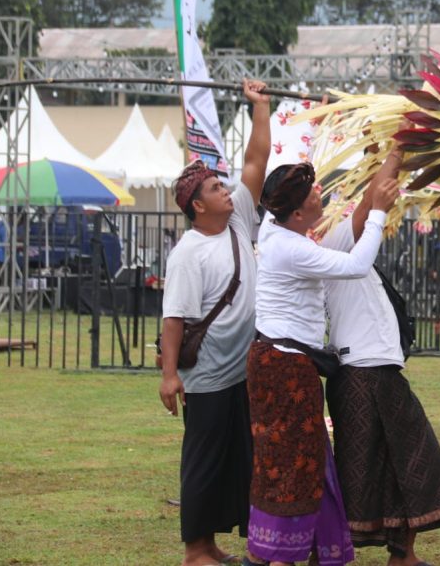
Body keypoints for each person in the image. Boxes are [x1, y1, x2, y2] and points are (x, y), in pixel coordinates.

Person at [247, 161, 399, 566]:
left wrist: (387, 159)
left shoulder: (277, 227)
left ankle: (291, 550)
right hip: (286, 367)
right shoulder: (291, 248)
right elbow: (355, 265)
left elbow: (352, 218)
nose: (321, 195)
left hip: (279, 361)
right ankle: (281, 556)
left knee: (299, 459)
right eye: (313, 194)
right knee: (296, 464)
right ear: (296, 212)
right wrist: (380, 213)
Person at [322, 143, 440, 566]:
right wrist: (397, 150)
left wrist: (390, 155)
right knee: (381, 465)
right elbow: (368, 204)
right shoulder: (333, 245)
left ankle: (403, 554)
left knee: (398, 464)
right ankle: (338, 551)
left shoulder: (345, 254)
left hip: (373, 369)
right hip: (363, 372)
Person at [159, 79, 270, 566]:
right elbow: (173, 319)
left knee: (237, 458)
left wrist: (260, 106)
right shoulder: (188, 253)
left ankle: (212, 544)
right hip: (206, 375)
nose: (226, 190)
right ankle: (194, 550)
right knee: (203, 460)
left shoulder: (239, 220)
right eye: (214, 188)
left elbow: (256, 163)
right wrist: (168, 375)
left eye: (222, 185)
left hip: (243, 368)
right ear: (196, 205)